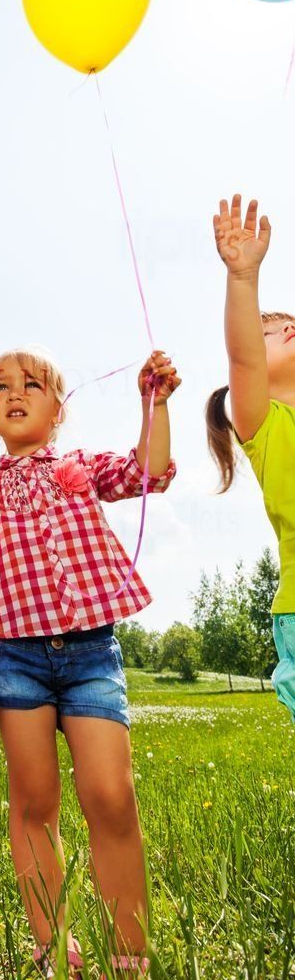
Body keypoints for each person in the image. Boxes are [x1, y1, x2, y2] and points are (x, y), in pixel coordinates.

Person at [0, 345, 179, 979]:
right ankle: (54, 949)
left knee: (109, 794)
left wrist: (152, 403)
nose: (14, 394)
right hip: (11, 656)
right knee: (34, 800)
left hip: (89, 653)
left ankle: (129, 955)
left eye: (31, 385)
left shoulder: (80, 467)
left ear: (58, 410)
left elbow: (149, 471)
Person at [206, 194, 295, 722]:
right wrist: (243, 278)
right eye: (272, 329)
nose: (289, 327)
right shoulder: (263, 422)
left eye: (291, 323)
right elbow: (243, 354)